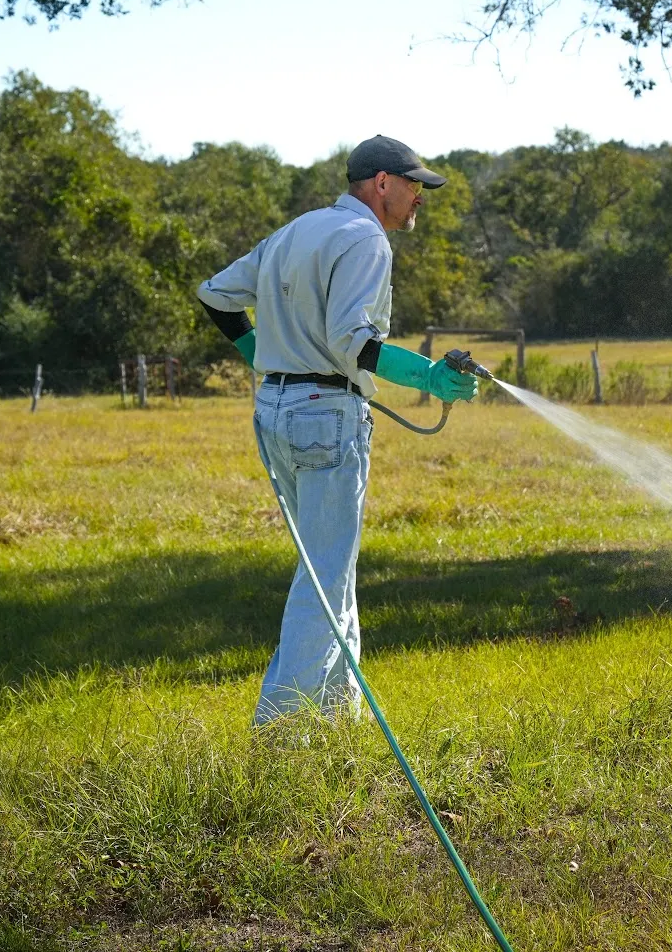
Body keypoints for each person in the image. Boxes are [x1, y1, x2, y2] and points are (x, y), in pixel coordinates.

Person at [197, 135, 478, 724]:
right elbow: (355, 342)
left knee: (332, 562)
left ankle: (336, 717)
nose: (420, 196)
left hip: (275, 414)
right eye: (414, 185)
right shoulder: (367, 239)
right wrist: (428, 376)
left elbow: (215, 295)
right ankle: (280, 733)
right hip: (326, 414)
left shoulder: (297, 231)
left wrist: (261, 353)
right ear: (381, 183)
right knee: (323, 573)